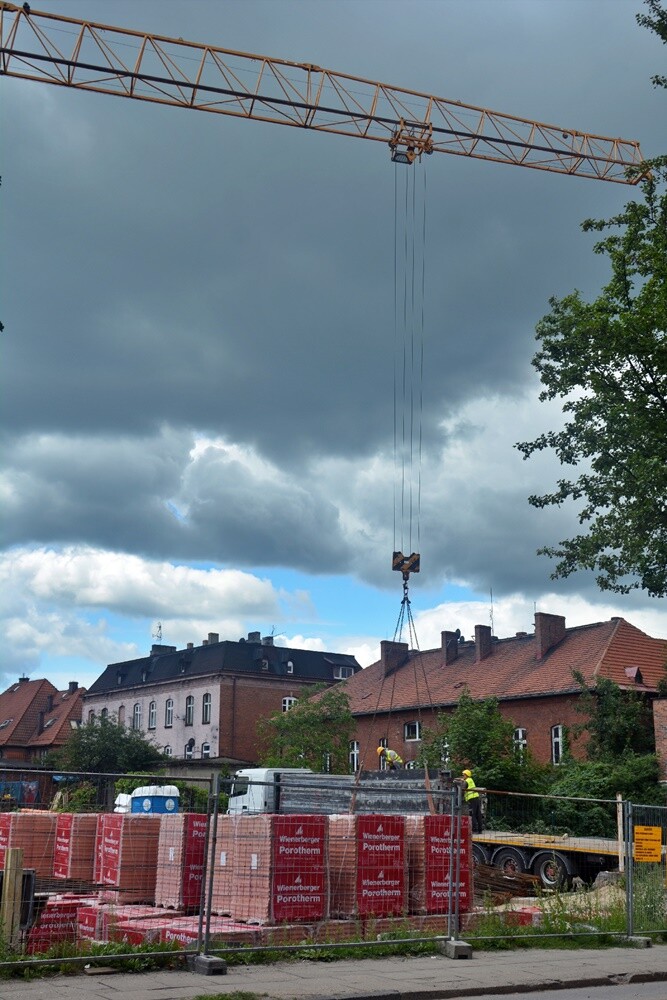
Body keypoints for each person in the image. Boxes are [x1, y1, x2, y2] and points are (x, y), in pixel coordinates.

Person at [461, 767, 484, 833]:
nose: (463, 776)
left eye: (463, 775)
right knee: (478, 814)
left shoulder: (466, 781)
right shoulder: (470, 780)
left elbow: (462, 789)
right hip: (476, 798)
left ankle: (474, 829)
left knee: (472, 814)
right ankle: (480, 829)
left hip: (472, 799)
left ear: (466, 775)